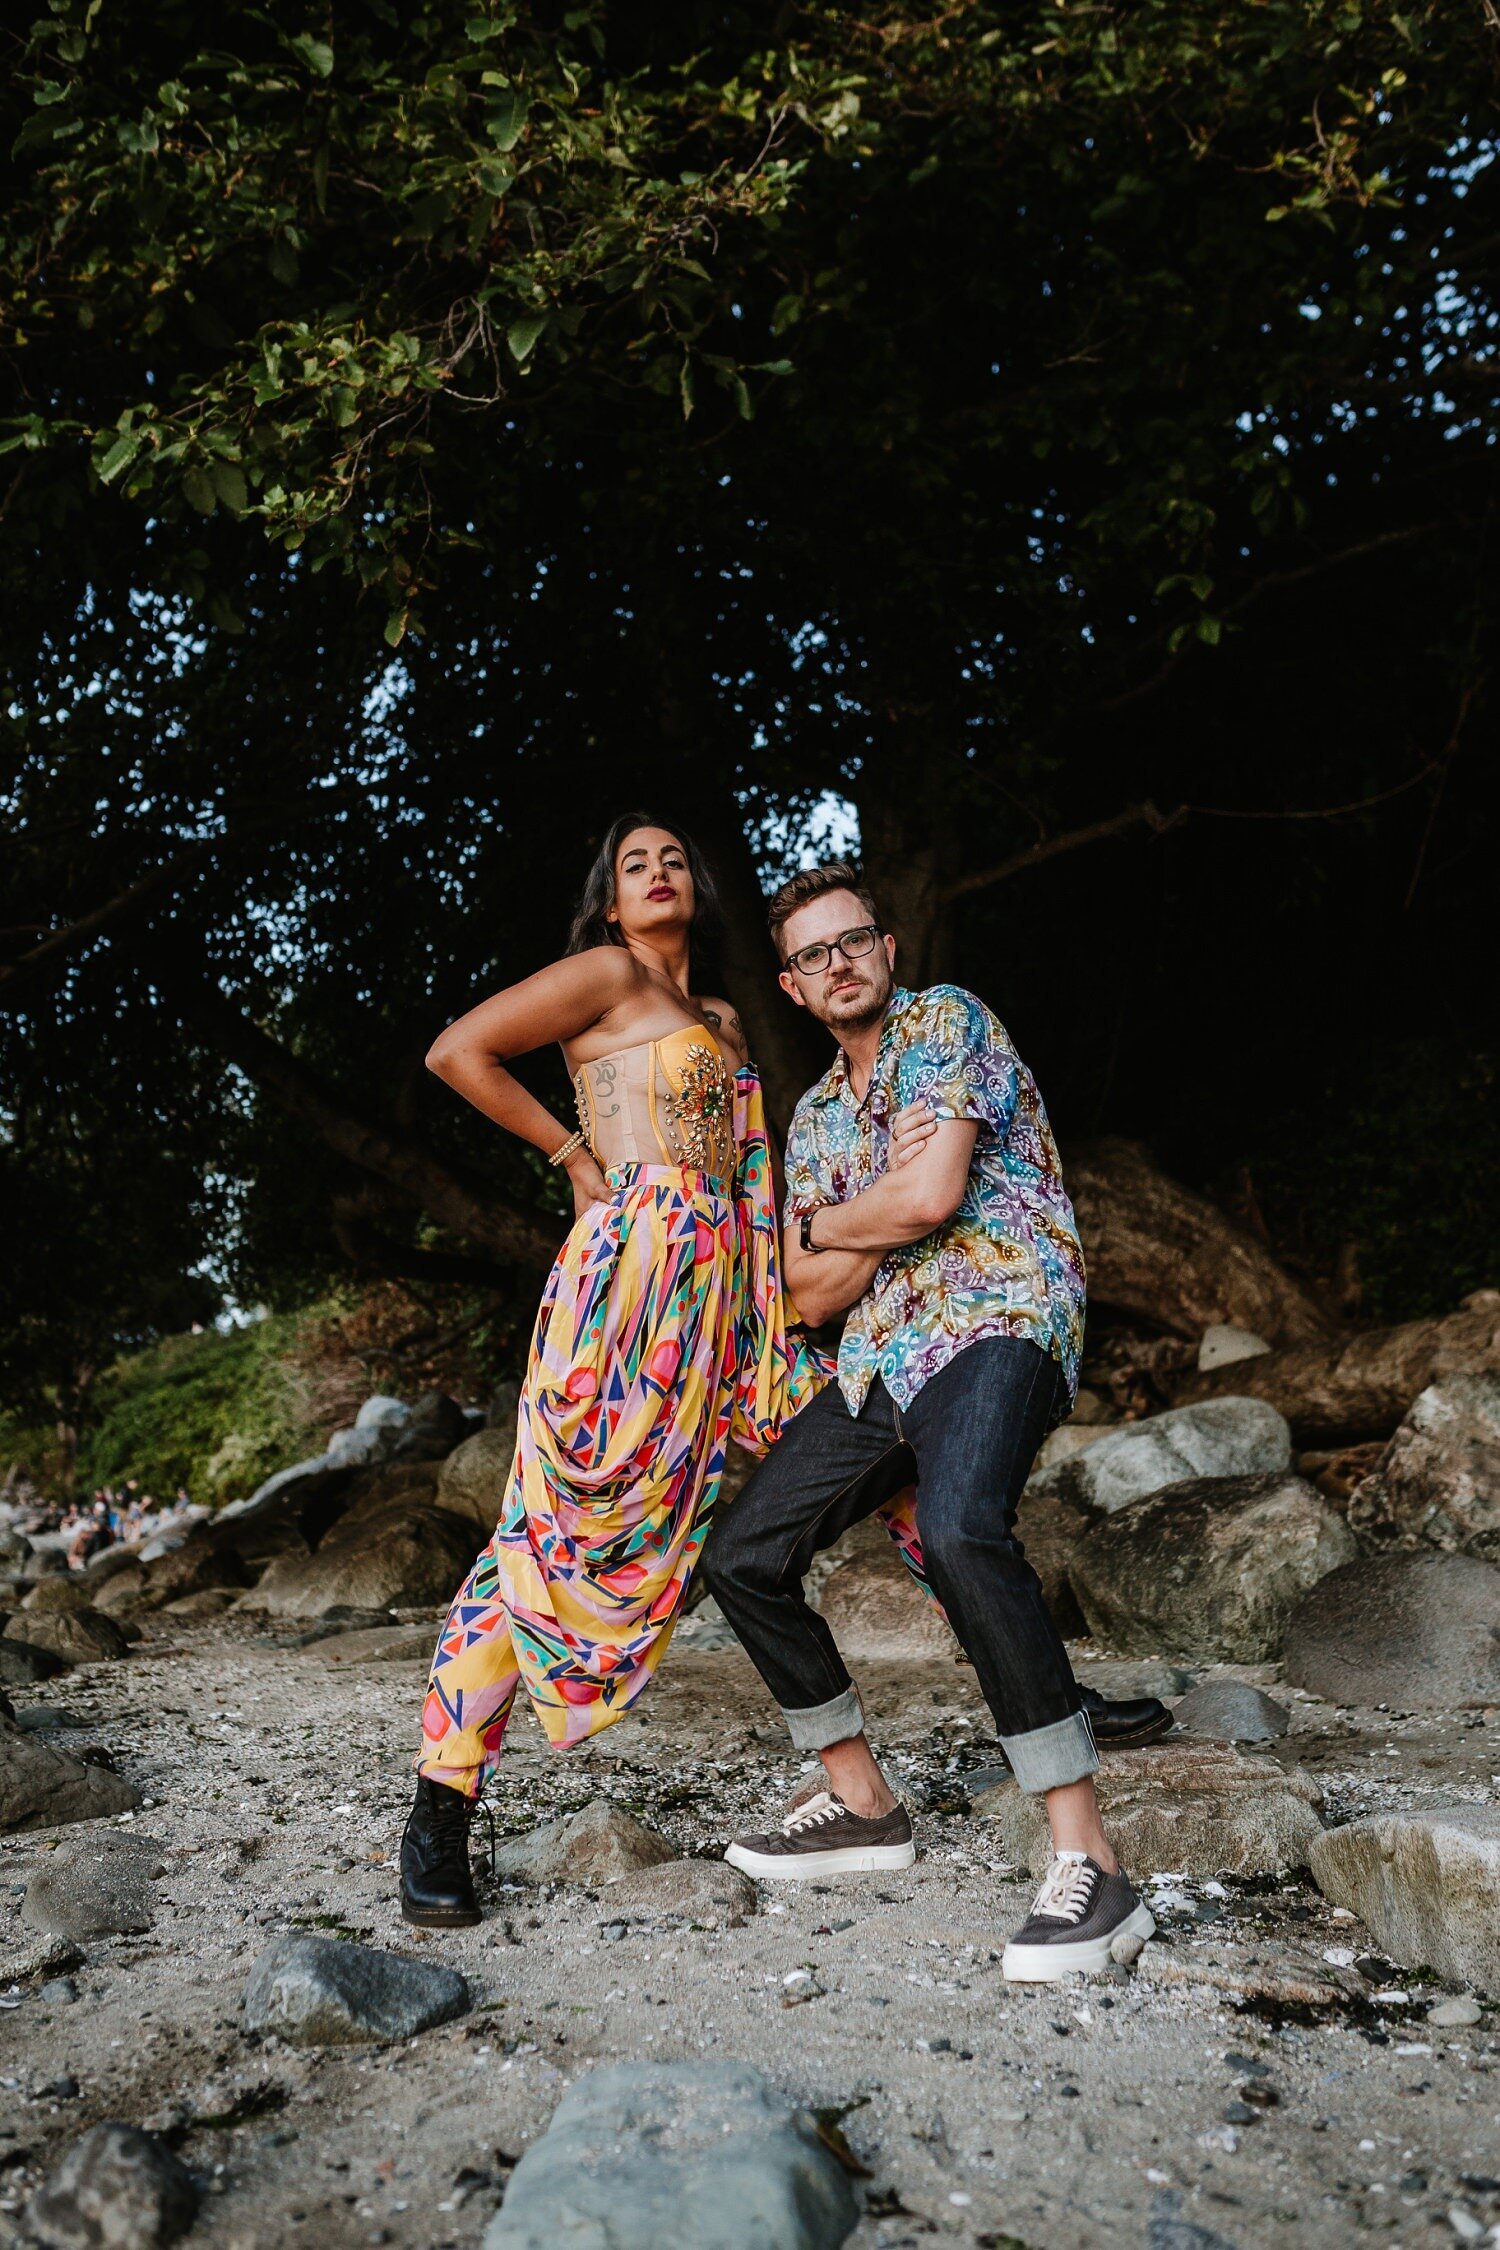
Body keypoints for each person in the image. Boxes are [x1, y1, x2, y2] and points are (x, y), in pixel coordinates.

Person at [397, 816, 935, 1929]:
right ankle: (439, 1812)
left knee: (878, 1445)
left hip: (731, 1303)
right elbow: (458, 1051)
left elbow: (748, 1181)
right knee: (549, 1533)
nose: (659, 871)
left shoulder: (727, 1021)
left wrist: (776, 1309)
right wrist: (575, 1162)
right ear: (608, 899)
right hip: (624, 1291)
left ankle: (1043, 1687)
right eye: (635, 862)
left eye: (675, 858)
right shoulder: (605, 974)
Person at [700, 862, 1160, 1981]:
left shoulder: (947, 1022)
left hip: (1001, 1315)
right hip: (877, 1365)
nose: (838, 963)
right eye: (813, 955)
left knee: (958, 1528)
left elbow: (933, 1198)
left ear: (889, 950)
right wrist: (858, 1222)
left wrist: (830, 1226)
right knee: (743, 1556)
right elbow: (809, 1298)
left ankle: (1090, 1860)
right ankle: (860, 1801)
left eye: (853, 940)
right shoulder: (813, 1118)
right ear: (793, 987)